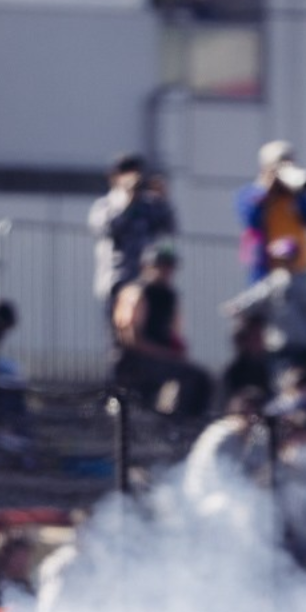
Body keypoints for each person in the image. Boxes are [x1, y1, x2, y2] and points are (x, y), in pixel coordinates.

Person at [111, 244, 213, 417]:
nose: (166, 271)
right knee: (190, 377)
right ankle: (173, 421)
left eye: (169, 267)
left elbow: (175, 333)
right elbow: (130, 339)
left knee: (200, 379)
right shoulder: (136, 292)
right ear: (146, 267)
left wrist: (177, 352)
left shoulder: (169, 296)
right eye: (160, 266)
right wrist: (165, 354)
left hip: (160, 358)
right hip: (135, 360)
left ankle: (178, 421)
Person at [90, 153, 177, 319]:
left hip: (148, 282)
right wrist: (128, 198)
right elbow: (108, 228)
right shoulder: (105, 205)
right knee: (120, 329)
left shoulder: (150, 204)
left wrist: (163, 198)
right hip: (118, 280)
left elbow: (170, 227)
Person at [218, 234, 306, 370]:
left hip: (300, 343)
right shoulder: (275, 281)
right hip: (280, 343)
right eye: (282, 258)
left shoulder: (300, 282)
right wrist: (236, 307)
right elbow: (254, 298)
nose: (285, 261)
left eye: (288, 257)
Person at [237, 140, 306, 283]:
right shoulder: (251, 194)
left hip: (298, 269)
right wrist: (266, 190)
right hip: (266, 272)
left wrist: (299, 192)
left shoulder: (295, 196)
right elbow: (252, 221)